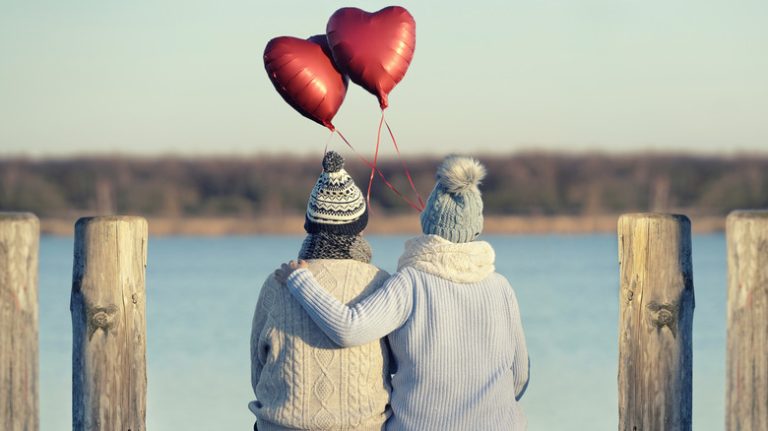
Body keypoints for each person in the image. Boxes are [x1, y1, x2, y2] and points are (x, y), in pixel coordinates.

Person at [277, 155, 530, 431]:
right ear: (476, 228)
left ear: (429, 224)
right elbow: (519, 376)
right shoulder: (501, 287)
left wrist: (301, 281)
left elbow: (348, 329)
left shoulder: (411, 283)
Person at [249, 151, 391, 431]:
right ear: (359, 229)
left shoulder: (277, 282)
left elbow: (258, 371)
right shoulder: (380, 282)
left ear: (310, 226)